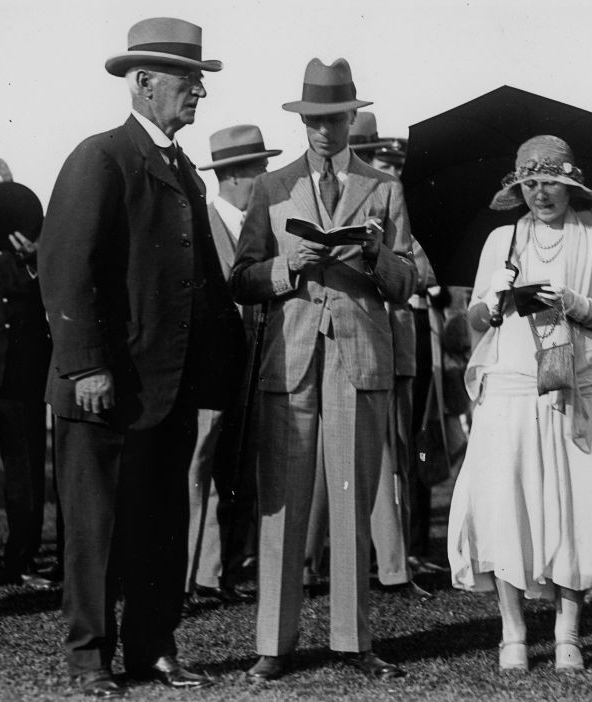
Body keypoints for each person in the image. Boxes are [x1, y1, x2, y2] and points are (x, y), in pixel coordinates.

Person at [39, 17, 246, 697]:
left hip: (168, 386)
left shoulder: (180, 167)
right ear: (144, 82)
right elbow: (64, 268)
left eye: (199, 83)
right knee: (96, 530)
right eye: (189, 82)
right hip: (108, 385)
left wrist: (212, 375)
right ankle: (88, 658)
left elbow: (203, 285)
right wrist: (84, 366)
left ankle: (153, 650)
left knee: (162, 526)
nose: (199, 95)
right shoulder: (101, 158)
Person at [230, 57, 416, 681]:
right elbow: (242, 278)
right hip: (292, 357)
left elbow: (408, 280)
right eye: (313, 119)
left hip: (359, 359)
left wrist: (376, 252)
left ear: (350, 117)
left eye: (334, 118)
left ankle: (352, 642)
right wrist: (289, 266)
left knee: (352, 498)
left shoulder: (383, 187)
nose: (323, 130)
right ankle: (273, 646)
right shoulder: (272, 186)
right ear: (303, 119)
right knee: (281, 503)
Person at [447, 135, 592, 673]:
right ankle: (512, 632)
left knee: (572, 502)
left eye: (550, 182)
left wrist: (573, 304)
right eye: (529, 184)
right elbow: (477, 321)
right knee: (507, 502)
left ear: (570, 184)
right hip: (509, 385)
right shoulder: (501, 240)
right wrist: (495, 297)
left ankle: (567, 634)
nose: (540, 193)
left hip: (571, 386)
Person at [303, 113, 431, 601]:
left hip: (390, 340)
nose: (379, 163)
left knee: (395, 454)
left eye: (380, 154)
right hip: (331, 335)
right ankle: (320, 561)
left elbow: (415, 269)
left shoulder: (390, 194)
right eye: (373, 152)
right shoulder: (314, 191)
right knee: (330, 455)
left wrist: (386, 250)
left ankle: (392, 562)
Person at [183, 124, 280, 609]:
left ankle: (219, 570)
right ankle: (187, 575)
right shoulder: (196, 226)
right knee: (198, 468)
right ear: (240, 174)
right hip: (209, 372)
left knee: (240, 471)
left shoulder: (262, 228)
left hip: (255, 371)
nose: (268, 176)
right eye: (262, 169)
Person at [0, 174, 55, 591]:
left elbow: (59, 290)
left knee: (25, 469)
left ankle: (22, 561)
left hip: (23, 370)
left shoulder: (31, 241)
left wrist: (35, 259)